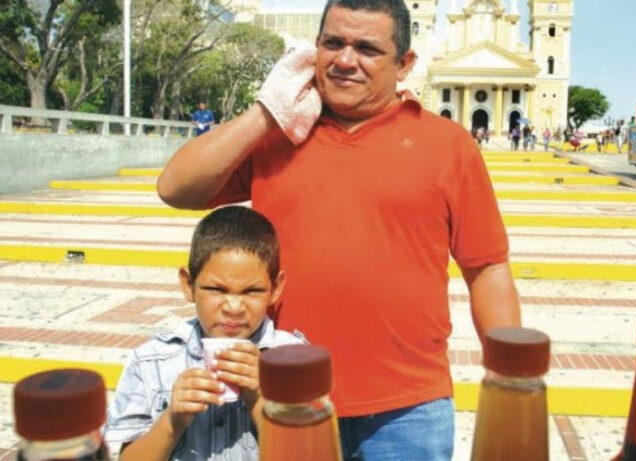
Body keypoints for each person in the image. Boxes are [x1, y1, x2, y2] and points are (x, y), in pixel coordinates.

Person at [156, 1, 521, 459]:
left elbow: (486, 267)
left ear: (404, 64)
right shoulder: (278, 137)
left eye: (367, 48)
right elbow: (175, 188)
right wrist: (267, 113)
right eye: (333, 43)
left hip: (408, 407)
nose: (346, 60)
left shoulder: (448, 145)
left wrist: (510, 375)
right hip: (281, 396)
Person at [105, 206, 305, 460]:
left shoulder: (295, 360)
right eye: (216, 289)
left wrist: (260, 398)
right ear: (188, 285)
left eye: (252, 291)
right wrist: (172, 421)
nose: (233, 308)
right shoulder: (151, 362)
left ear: (275, 289)